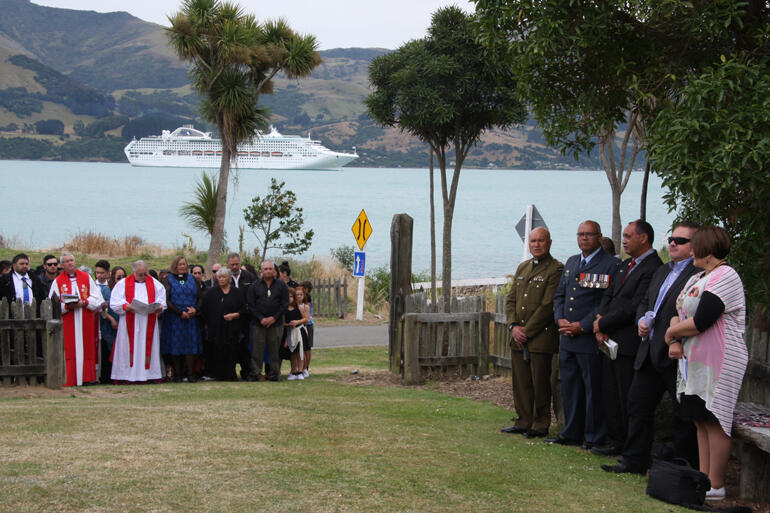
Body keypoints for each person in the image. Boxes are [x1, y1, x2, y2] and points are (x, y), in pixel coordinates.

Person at [601, 222, 701, 475]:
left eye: (680, 240)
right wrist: (643, 320)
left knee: (682, 415)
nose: (673, 244)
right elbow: (647, 301)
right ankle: (634, 461)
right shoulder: (663, 270)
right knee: (637, 405)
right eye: (671, 239)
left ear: (695, 247)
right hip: (649, 351)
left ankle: (682, 469)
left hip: (676, 354)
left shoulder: (698, 275)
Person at [664, 226, 748, 501]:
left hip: (720, 362)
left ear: (707, 249)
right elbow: (677, 313)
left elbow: (703, 318)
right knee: (699, 419)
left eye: (694, 245)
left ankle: (717, 483)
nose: (689, 250)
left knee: (715, 420)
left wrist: (673, 333)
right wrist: (673, 336)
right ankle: (703, 479)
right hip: (694, 363)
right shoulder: (698, 277)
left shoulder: (726, 275)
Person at [591, 220, 663, 455]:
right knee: (610, 394)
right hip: (609, 340)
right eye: (623, 236)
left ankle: (631, 448)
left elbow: (634, 307)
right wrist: (599, 323)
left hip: (630, 343)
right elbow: (609, 295)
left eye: (628, 236)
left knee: (627, 397)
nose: (623, 241)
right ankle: (616, 440)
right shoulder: (624, 266)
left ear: (643, 238)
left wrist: (602, 322)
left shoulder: (653, 268)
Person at [548, 221, 620, 449]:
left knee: (592, 391)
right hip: (567, 337)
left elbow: (605, 302)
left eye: (589, 235)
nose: (584, 238)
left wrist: (583, 325)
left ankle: (593, 437)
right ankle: (571, 432)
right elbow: (561, 295)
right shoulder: (571, 262)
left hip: (588, 338)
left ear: (599, 237)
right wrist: (559, 318)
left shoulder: (610, 265)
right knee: (570, 388)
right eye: (580, 234)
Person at [501, 227, 563, 438]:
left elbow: (547, 306)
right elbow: (510, 300)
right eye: (533, 241)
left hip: (540, 337)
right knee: (521, 383)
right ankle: (523, 420)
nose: (536, 244)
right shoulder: (523, 267)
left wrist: (526, 331)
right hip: (518, 336)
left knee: (540, 383)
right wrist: (513, 326)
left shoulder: (555, 269)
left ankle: (540, 424)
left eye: (541, 241)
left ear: (550, 243)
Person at [48, 253, 105, 387]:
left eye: (72, 260)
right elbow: (52, 303)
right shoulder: (58, 281)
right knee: (69, 348)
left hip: (85, 318)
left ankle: (87, 378)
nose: (70, 263)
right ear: (61, 265)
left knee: (86, 347)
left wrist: (84, 302)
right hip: (69, 319)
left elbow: (97, 298)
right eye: (67, 261)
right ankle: (70, 378)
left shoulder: (86, 277)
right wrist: (67, 306)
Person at [110, 260, 166, 384]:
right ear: (134, 272)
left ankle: (149, 375)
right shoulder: (123, 284)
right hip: (129, 321)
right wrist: (126, 306)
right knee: (128, 348)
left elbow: (162, 301)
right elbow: (114, 302)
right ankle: (127, 376)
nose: (143, 277)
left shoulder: (156, 284)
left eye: (145, 274)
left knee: (148, 347)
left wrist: (159, 307)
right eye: (140, 274)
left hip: (148, 321)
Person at [198, 267, 246, 381]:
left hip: (232, 328)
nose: (221, 279)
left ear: (229, 278)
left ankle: (230, 374)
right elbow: (204, 309)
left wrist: (234, 315)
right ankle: (217, 374)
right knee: (217, 351)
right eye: (219, 277)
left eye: (224, 277)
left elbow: (243, 309)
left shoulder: (237, 292)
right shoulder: (211, 292)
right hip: (216, 329)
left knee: (232, 350)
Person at [162, 256, 203, 382]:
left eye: (184, 264)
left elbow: (200, 297)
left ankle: (190, 374)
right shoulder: (168, 279)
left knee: (190, 346)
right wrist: (179, 312)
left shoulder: (193, 279)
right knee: (176, 346)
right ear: (175, 266)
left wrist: (195, 310)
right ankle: (178, 375)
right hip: (175, 318)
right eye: (179, 264)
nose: (182, 266)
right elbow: (166, 299)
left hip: (190, 318)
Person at [247, 259, 289, 381]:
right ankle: (255, 373)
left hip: (276, 323)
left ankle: (274, 374)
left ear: (274, 271)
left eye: (270, 269)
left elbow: (284, 304)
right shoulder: (254, 286)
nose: (268, 271)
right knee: (257, 350)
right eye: (265, 269)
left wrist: (273, 318)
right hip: (258, 323)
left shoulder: (281, 285)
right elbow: (251, 305)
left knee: (274, 349)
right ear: (261, 271)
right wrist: (261, 318)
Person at [98, 266, 126, 383]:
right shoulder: (106, 290)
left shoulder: (126, 290)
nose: (121, 280)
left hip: (122, 324)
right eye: (118, 277)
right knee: (109, 351)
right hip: (109, 324)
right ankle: (107, 377)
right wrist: (110, 319)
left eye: (123, 277)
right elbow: (101, 308)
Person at [299, 280, 314, 377]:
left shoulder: (307, 300)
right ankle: (303, 367)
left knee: (307, 348)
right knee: (303, 348)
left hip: (308, 325)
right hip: (304, 324)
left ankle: (306, 368)